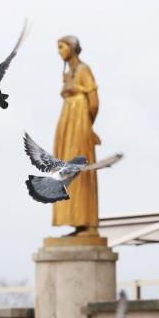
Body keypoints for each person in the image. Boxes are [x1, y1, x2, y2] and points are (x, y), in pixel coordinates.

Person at [52, 35, 101, 235]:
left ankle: (86, 220)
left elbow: (94, 101)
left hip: (79, 121)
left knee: (80, 169)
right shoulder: (68, 72)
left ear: (72, 47)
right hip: (67, 121)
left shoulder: (83, 70)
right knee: (65, 170)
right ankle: (75, 219)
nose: (59, 51)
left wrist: (88, 126)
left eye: (62, 47)